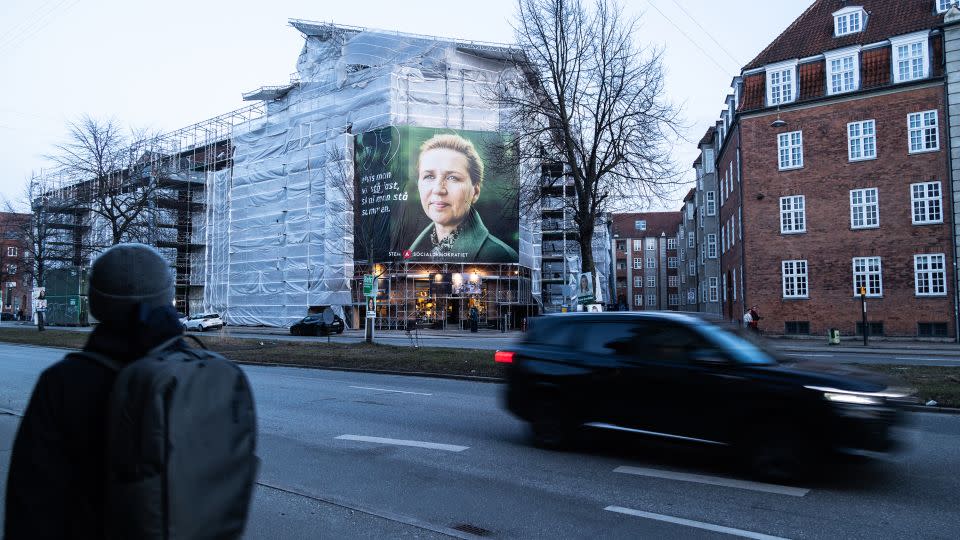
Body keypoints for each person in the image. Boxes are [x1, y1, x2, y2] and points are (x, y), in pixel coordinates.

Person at [4, 244, 191, 538]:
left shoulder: (64, 382)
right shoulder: (211, 375)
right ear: (168, 299)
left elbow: (31, 499)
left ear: (94, 304)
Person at [408, 134, 518, 262]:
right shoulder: (408, 257)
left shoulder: (501, 257)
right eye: (429, 176)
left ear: (475, 192)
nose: (438, 189)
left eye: (452, 178)